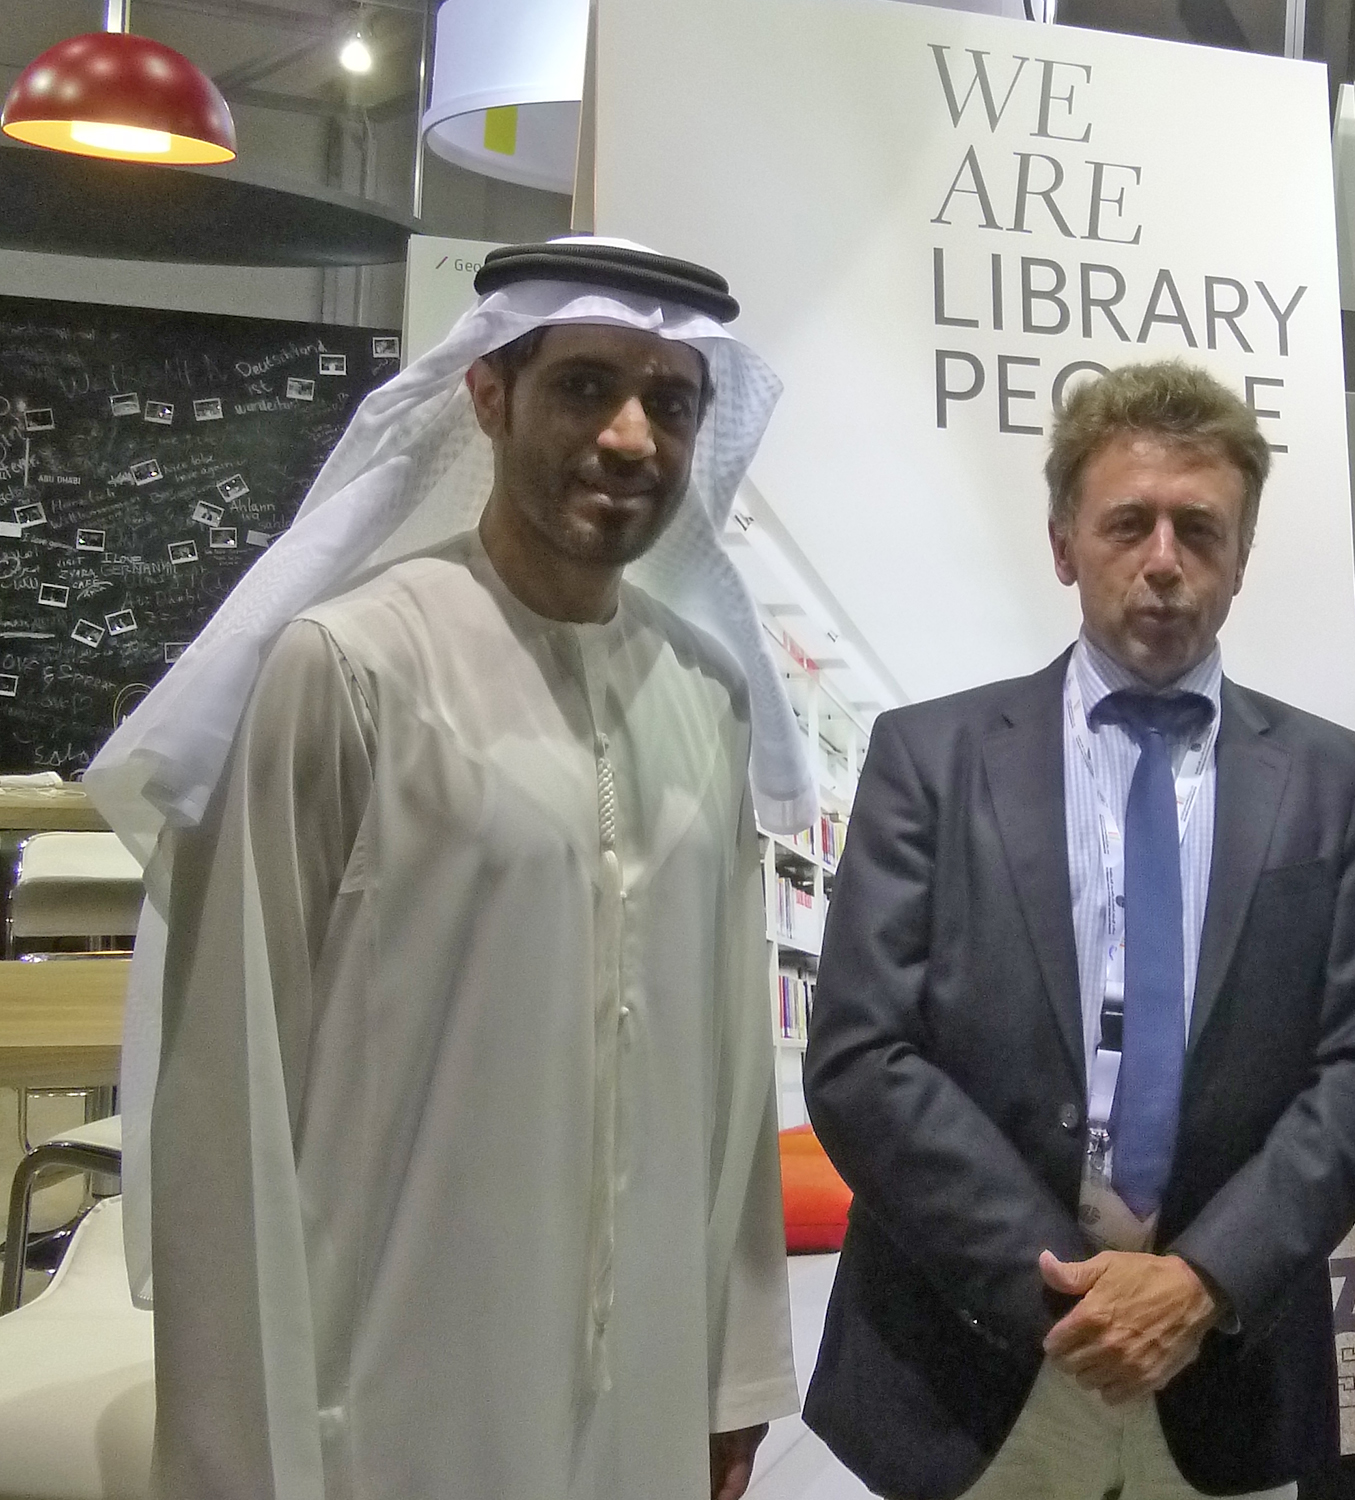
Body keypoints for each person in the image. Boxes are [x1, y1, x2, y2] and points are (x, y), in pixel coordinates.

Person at [86, 238, 817, 1500]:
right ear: (489, 395)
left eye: (671, 401)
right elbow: (229, 1099)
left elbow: (731, 1078)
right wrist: (230, 1450)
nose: (632, 436)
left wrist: (731, 1378)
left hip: (640, 1385)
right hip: (392, 1385)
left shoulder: (707, 694)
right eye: (585, 386)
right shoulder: (349, 668)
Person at [802, 360, 1355, 1500]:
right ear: (1063, 544)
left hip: (1224, 1370)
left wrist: (1199, 1283)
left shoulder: (1330, 781)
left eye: (1201, 529)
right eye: (1128, 524)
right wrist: (1063, 1294)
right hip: (974, 1367)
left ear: (1242, 555)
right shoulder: (930, 761)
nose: (1164, 561)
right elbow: (860, 1054)